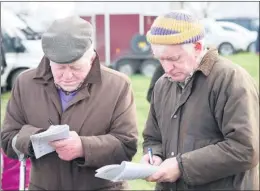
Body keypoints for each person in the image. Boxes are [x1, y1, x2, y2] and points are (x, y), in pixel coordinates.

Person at [1, 16, 138, 190]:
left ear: (91, 58)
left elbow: (126, 146)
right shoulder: (25, 83)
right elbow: (7, 140)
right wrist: (34, 139)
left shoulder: (118, 85)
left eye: (75, 68)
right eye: (59, 68)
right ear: (49, 60)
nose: (67, 76)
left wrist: (83, 147)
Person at [141, 10, 259, 190]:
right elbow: (152, 137)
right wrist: (153, 155)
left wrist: (181, 166)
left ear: (197, 46)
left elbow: (245, 149)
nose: (167, 68)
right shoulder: (162, 85)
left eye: (174, 58)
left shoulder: (230, 80)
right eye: (160, 60)